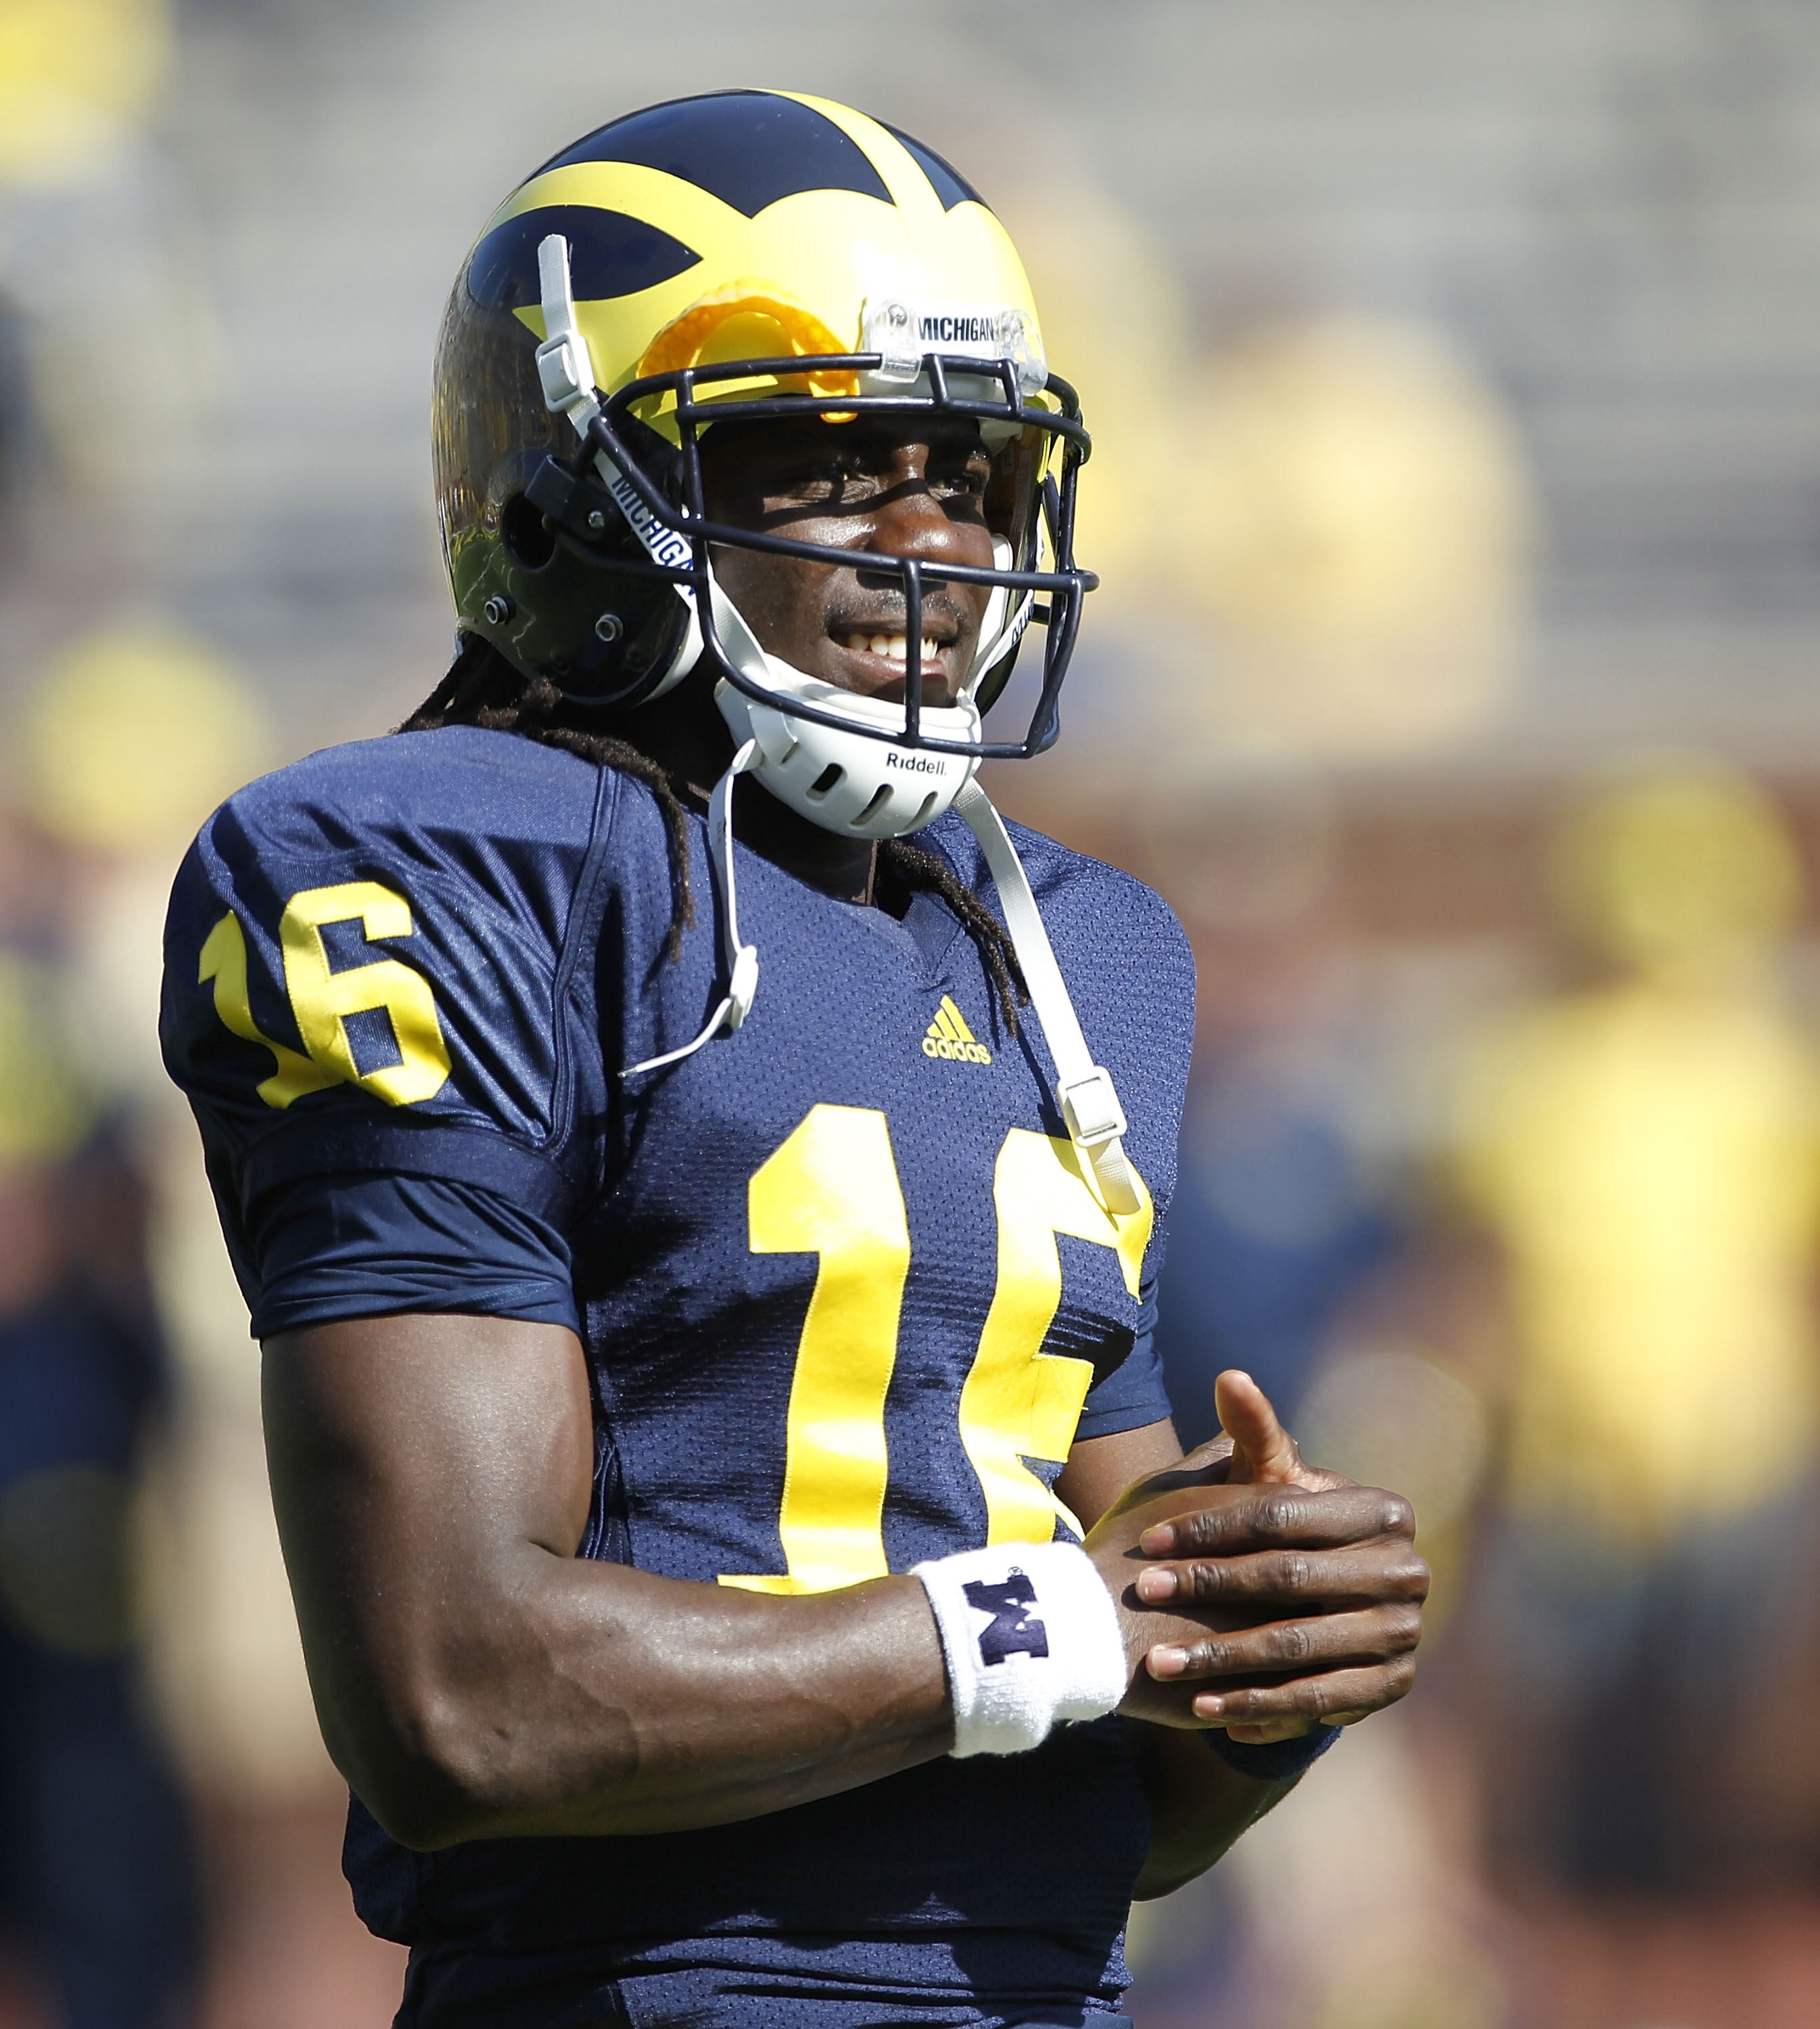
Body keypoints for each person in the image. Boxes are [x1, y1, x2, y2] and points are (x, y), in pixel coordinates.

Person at [160, 91, 1426, 2028]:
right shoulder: (438, 864)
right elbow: (462, 1692)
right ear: (574, 488)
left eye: (976, 477)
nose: (931, 548)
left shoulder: (1083, 950)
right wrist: (1064, 1617)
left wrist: (1251, 1664)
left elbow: (1115, 1799)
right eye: (826, 467)